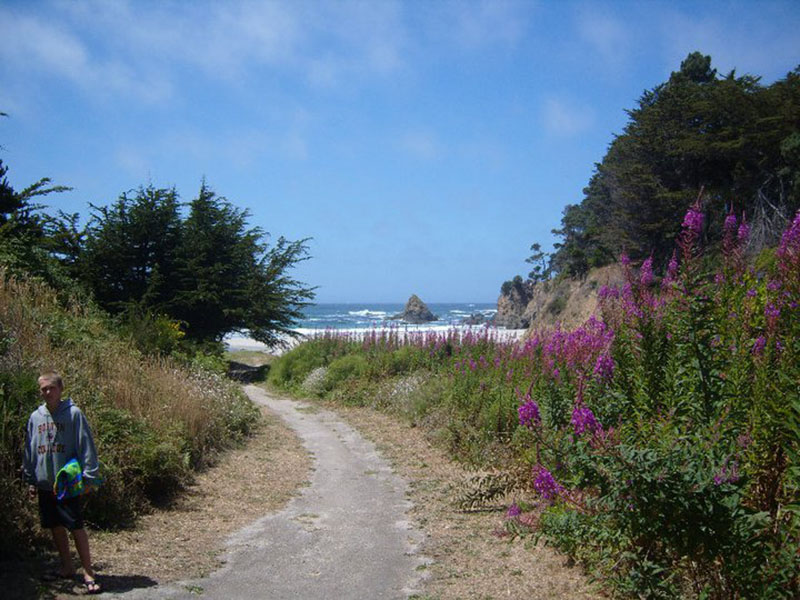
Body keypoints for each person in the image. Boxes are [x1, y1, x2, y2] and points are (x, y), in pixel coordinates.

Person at [22, 371, 102, 594]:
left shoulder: (74, 414)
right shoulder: (35, 417)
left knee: (75, 526)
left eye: (51, 388)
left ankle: (88, 572)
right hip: (45, 483)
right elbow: (29, 450)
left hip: (67, 483)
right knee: (55, 526)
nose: (47, 392)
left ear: (60, 389)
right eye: (43, 389)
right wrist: (30, 479)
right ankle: (67, 567)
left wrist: (89, 476)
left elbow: (86, 444)